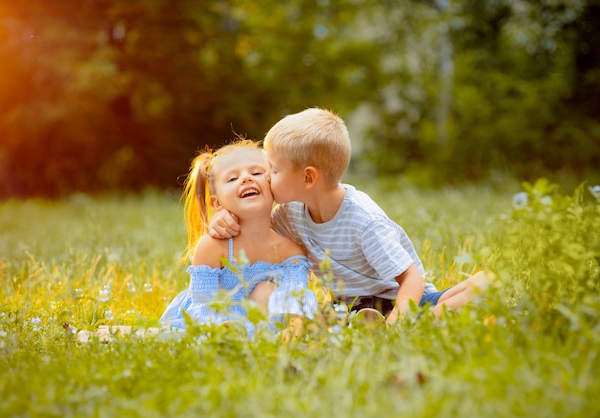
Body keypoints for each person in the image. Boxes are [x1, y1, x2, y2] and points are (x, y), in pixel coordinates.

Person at [209, 108, 492, 326]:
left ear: (308, 178)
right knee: (304, 313)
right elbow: (253, 231)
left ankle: (417, 321)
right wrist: (224, 216)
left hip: (404, 300)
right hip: (347, 307)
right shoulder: (291, 213)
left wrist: (398, 324)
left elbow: (412, 279)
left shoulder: (363, 220)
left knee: (488, 284)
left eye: (273, 169)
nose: (266, 176)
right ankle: (362, 325)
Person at [160, 138, 317, 339]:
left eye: (257, 173)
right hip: (215, 322)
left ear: (274, 186)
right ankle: (236, 340)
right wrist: (222, 328)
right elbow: (202, 302)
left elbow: (297, 299)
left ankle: (258, 340)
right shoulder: (214, 245)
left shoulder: (289, 251)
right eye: (232, 179)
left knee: (266, 289)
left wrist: (298, 326)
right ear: (216, 203)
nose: (246, 179)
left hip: (266, 327)